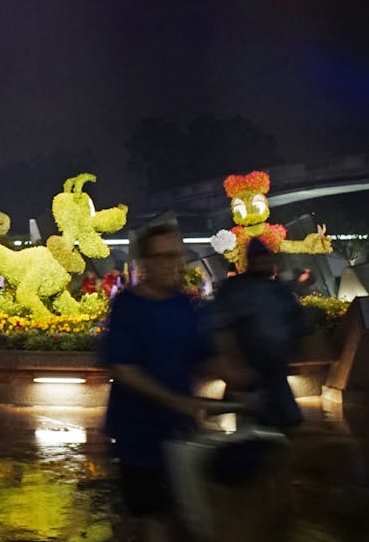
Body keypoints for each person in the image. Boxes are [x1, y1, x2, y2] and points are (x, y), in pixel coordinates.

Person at [100, 224, 222, 541]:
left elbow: (204, 356)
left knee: (187, 517)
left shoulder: (184, 305)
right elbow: (123, 368)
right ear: (145, 263)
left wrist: (240, 371)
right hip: (138, 437)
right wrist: (176, 401)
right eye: (163, 256)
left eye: (176, 255)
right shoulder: (127, 306)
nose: (173, 263)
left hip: (181, 434)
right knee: (154, 519)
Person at [212, 240, 306, 429]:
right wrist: (232, 364)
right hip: (251, 376)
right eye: (259, 258)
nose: (264, 262)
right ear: (251, 261)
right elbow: (220, 326)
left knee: (278, 428)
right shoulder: (236, 289)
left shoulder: (277, 289)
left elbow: (296, 319)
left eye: (266, 258)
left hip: (274, 375)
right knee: (256, 434)